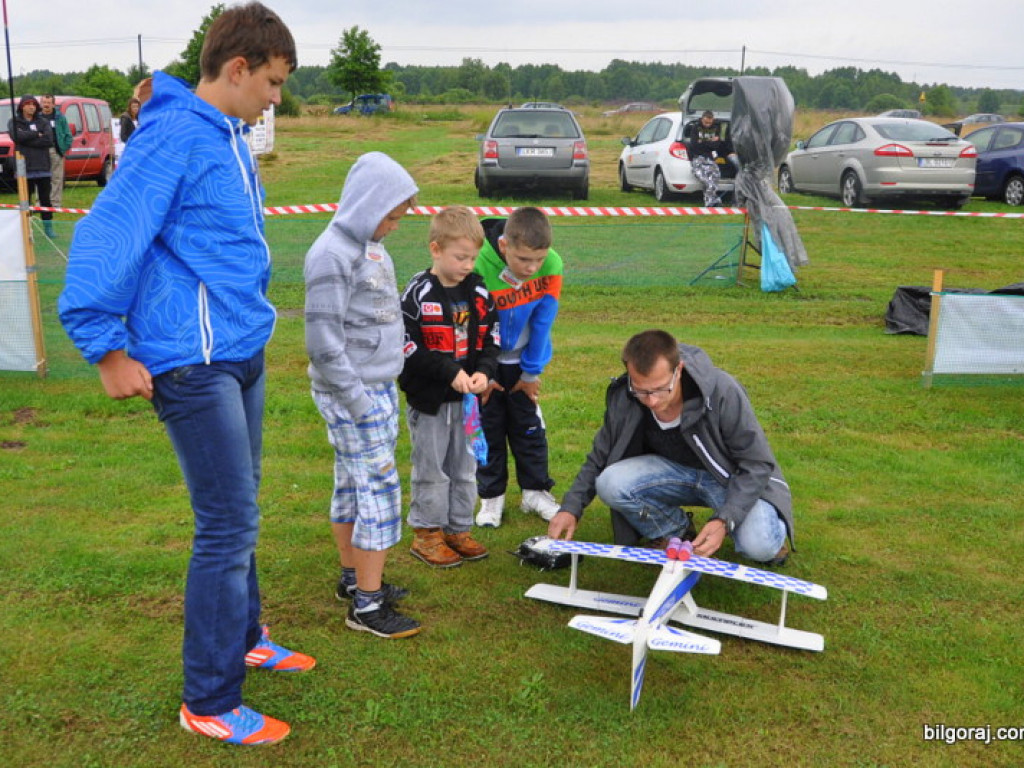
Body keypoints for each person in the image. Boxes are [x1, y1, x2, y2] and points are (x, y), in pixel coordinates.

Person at [58, 3, 312, 747]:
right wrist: (106, 350)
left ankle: (245, 636)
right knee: (226, 524)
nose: (276, 97)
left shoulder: (226, 134)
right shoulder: (171, 136)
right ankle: (208, 698)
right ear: (236, 69)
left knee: (243, 507)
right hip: (190, 362)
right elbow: (107, 237)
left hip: (241, 352)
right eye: (271, 82)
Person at [547, 329, 793, 566]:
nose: (652, 401)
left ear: (679, 370)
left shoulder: (722, 391)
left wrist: (724, 519)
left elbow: (757, 464)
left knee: (760, 545)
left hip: (730, 479)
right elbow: (599, 457)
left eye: (660, 389)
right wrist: (571, 508)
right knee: (610, 482)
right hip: (672, 475)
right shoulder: (625, 396)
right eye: (641, 391)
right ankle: (677, 531)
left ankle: (774, 536)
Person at [304, 151, 421, 639]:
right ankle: (367, 608)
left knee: (354, 485)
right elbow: (323, 341)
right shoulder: (330, 255)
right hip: (354, 394)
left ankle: (355, 580)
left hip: (376, 387)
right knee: (379, 493)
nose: (394, 225)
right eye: (391, 215)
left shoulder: (370, 247)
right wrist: (358, 402)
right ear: (368, 204)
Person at [399, 206, 501, 567]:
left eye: (473, 257)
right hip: (430, 401)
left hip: (469, 404)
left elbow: (492, 338)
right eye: (460, 257)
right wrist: (446, 371)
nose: (468, 265)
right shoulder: (418, 292)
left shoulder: (479, 292)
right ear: (435, 249)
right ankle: (427, 533)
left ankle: (458, 528)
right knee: (431, 468)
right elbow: (405, 346)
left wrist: (486, 372)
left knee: (465, 466)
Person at [472, 207, 563, 527]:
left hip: (523, 364)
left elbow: (544, 320)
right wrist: (481, 372)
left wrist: (531, 373)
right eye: (524, 260)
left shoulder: (552, 264)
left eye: (539, 259)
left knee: (529, 430)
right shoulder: (478, 263)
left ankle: (535, 492)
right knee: (488, 430)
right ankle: (491, 497)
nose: (532, 267)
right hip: (485, 364)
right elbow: (472, 324)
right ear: (503, 246)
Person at [7, 95, 55, 238]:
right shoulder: (14, 122)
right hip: (24, 167)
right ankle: (26, 228)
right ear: (22, 106)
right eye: (28, 104)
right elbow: (17, 137)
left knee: (45, 199)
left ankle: (48, 228)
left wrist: (27, 138)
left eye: (33, 104)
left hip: (43, 166)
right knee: (25, 199)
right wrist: (36, 134)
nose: (31, 107)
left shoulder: (43, 122)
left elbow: (48, 140)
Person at [684, 109, 739, 208]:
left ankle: (711, 201)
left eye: (710, 123)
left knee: (715, 175)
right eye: (706, 122)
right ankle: (712, 201)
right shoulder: (695, 127)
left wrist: (703, 142)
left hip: (709, 158)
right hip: (697, 158)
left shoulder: (716, 127)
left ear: (713, 120)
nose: (708, 125)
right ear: (702, 119)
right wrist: (710, 141)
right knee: (707, 180)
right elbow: (694, 145)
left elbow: (716, 145)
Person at [39, 94, 72, 211]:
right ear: (41, 103)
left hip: (55, 150)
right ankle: (40, 203)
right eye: (44, 102)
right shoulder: (37, 118)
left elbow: (68, 135)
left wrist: (64, 148)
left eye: (48, 102)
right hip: (40, 152)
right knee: (41, 178)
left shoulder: (60, 118)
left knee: (56, 178)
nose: (46, 105)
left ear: (53, 104)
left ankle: (55, 203)